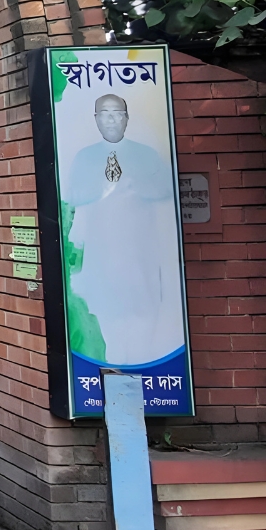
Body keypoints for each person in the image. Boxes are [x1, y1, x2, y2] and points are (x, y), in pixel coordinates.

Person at [61, 93, 184, 365]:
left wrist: (135, 185)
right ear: (96, 119)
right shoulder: (85, 158)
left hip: (140, 253)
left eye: (118, 113)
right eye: (105, 113)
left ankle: (139, 365)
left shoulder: (146, 155)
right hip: (100, 254)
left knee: (143, 313)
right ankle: (114, 366)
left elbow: (165, 192)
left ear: (127, 118)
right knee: (105, 314)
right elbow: (73, 201)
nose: (112, 119)